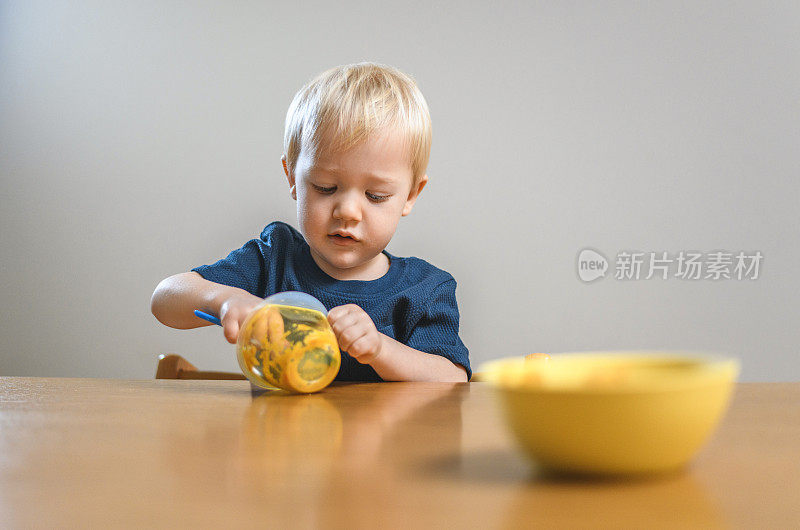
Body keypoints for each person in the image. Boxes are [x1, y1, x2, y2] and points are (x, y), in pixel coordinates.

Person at [151, 62, 470, 382]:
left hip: (381, 434)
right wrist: (225, 300)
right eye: (325, 188)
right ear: (291, 176)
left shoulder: (425, 289)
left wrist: (380, 350)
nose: (347, 211)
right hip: (277, 432)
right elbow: (165, 299)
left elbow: (453, 380)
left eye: (375, 195)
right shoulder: (274, 258)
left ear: (411, 195)